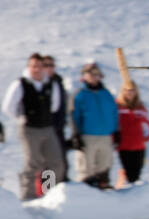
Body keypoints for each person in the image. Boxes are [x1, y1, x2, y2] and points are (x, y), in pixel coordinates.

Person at [2, 53, 66, 199]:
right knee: (33, 163)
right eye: (33, 66)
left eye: (39, 66)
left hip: (47, 127)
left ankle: (48, 193)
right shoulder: (21, 84)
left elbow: (55, 106)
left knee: (54, 162)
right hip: (29, 128)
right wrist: (22, 117)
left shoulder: (50, 84)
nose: (36, 69)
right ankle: (28, 196)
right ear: (29, 67)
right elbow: (8, 107)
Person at [70, 62, 119, 188]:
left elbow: (114, 113)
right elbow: (74, 116)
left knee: (104, 164)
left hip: (105, 136)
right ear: (84, 77)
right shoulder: (80, 95)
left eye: (96, 74)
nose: (94, 77)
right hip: (87, 136)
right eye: (90, 74)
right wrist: (76, 134)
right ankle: (86, 191)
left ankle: (104, 186)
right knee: (86, 166)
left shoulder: (106, 94)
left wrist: (117, 131)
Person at [116, 81, 149, 184]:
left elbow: (147, 123)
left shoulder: (140, 107)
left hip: (139, 145)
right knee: (129, 172)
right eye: (127, 90)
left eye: (132, 90)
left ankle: (135, 195)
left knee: (137, 173)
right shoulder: (118, 106)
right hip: (124, 145)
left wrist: (147, 135)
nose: (130, 93)